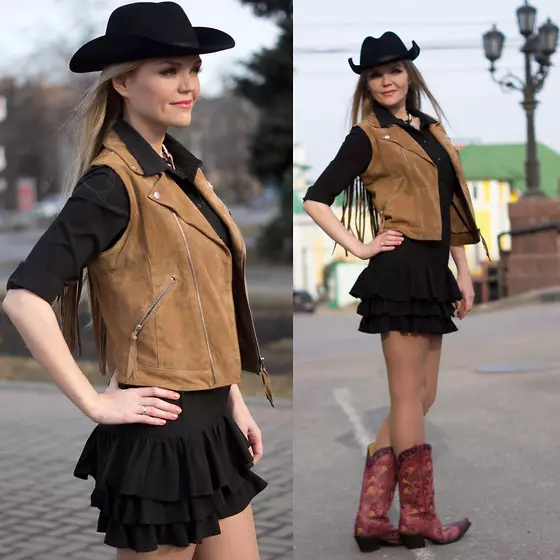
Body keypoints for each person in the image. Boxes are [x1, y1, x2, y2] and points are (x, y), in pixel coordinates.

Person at [2, 2, 274, 559]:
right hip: (159, 435)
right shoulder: (112, 183)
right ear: (124, 81)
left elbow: (199, 303)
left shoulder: (184, 174)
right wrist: (94, 404)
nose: (189, 84)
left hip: (211, 424)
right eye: (169, 70)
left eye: (194, 69)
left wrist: (231, 396)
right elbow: (23, 297)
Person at [303, 32, 490, 552]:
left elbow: (452, 207)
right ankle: (419, 517)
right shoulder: (368, 136)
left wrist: (464, 271)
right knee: (408, 396)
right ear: (367, 82)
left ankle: (370, 518)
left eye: (395, 70)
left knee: (423, 395)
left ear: (410, 74)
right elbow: (316, 198)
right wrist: (359, 246)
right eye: (375, 73)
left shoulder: (432, 130)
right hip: (402, 268)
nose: (386, 80)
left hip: (435, 271)